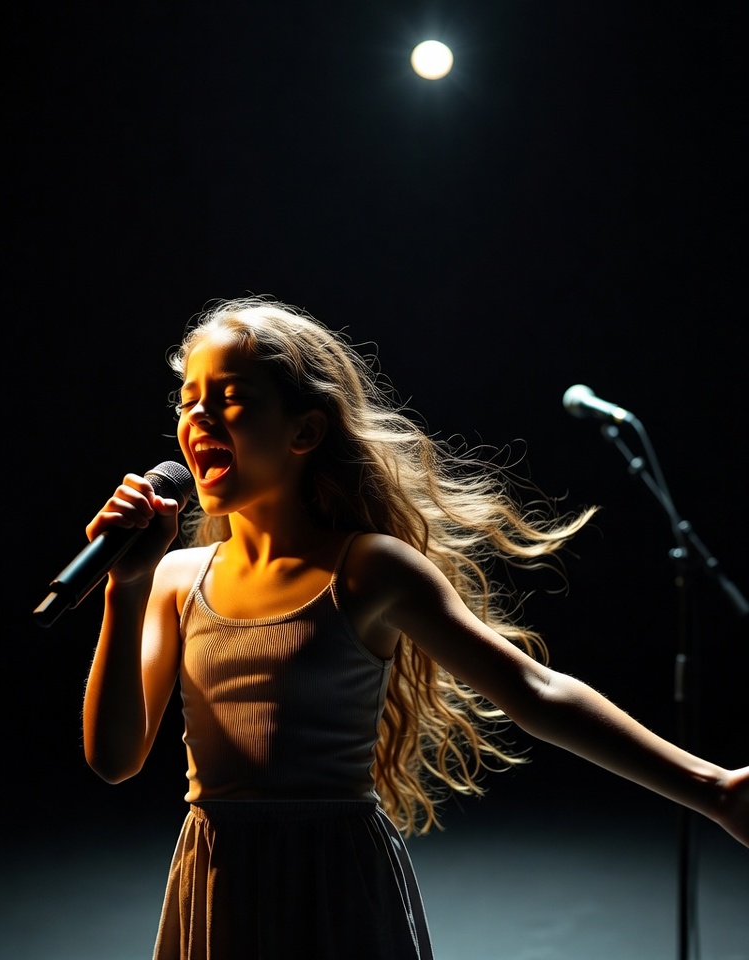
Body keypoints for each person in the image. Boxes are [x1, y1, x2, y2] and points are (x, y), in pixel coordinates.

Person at [81, 297, 747, 959]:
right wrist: (126, 581)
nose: (197, 415)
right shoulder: (173, 579)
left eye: (229, 397)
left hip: (335, 882)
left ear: (305, 432)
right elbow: (114, 760)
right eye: (188, 399)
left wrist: (713, 789)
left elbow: (536, 692)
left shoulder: (369, 570)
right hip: (216, 881)